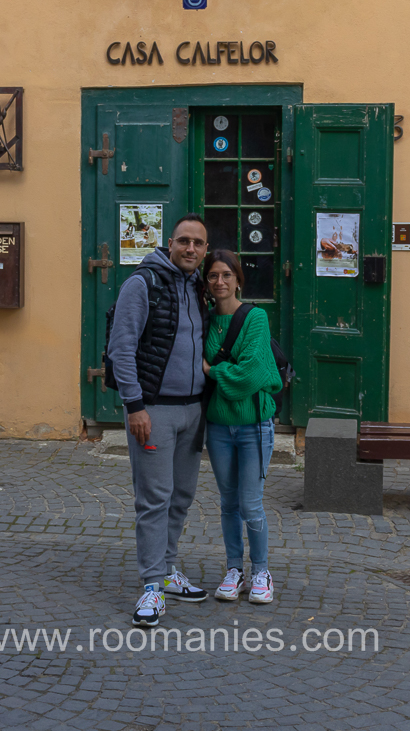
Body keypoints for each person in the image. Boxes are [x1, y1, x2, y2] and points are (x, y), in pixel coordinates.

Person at [107, 213, 212, 627]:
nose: (190, 249)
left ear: (205, 250)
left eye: (198, 243)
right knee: (154, 500)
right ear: (170, 243)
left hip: (193, 410)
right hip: (154, 411)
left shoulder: (198, 287)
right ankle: (151, 588)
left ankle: (168, 572)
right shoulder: (142, 283)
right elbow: (122, 347)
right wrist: (134, 406)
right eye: (184, 241)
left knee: (181, 496)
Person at [201, 249, 283, 605]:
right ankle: (234, 570)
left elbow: (251, 374)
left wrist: (211, 371)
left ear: (238, 279)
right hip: (219, 426)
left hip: (253, 426)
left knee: (251, 504)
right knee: (228, 503)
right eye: (213, 276)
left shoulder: (255, 317)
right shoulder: (203, 321)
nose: (220, 282)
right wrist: (221, 374)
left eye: (226, 275)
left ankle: (261, 571)